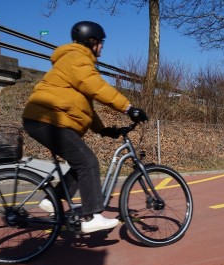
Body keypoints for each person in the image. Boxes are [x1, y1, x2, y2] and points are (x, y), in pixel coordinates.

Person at [22, 21, 148, 233]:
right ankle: (90, 217)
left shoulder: (75, 60)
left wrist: (103, 129)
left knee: (80, 163)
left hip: (47, 119)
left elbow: (85, 106)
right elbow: (97, 87)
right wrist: (128, 108)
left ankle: (52, 201)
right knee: (88, 162)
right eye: (101, 43)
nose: (102, 47)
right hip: (47, 119)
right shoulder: (77, 58)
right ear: (92, 41)